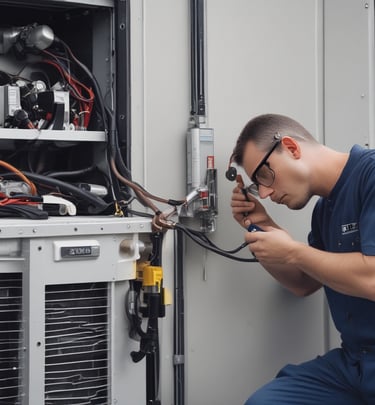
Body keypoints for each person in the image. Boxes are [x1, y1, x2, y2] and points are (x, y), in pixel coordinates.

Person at [230, 113, 375, 405]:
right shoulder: (324, 210)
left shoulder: (370, 175)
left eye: (264, 176)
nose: (267, 193)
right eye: (259, 186)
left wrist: (292, 250)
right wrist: (265, 226)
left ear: (291, 148)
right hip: (353, 364)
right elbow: (303, 284)